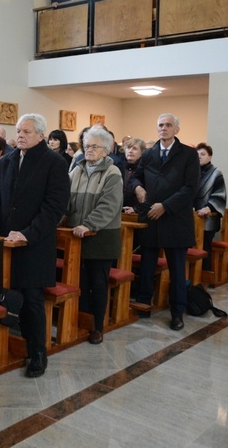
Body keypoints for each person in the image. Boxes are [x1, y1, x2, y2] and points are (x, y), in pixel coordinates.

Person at [0, 114, 71, 378]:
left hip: (35, 244)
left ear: (41, 135)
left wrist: (28, 234)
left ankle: (38, 352)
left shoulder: (54, 163)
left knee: (32, 299)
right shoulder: (7, 161)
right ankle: (5, 344)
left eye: (26, 131)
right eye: (18, 131)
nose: (21, 136)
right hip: (7, 243)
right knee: (6, 294)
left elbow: (55, 206)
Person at [130, 113, 199, 331]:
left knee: (177, 268)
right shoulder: (149, 153)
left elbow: (190, 187)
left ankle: (177, 312)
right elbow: (135, 176)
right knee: (147, 265)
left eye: (168, 125)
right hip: (151, 216)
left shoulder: (188, 154)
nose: (164, 128)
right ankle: (143, 304)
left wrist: (165, 206)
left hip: (175, 218)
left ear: (176, 130)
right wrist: (138, 187)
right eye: (160, 125)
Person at [65, 127, 123, 345]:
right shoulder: (76, 170)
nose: (89, 150)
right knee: (79, 282)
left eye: (95, 147)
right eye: (87, 146)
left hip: (100, 237)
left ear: (106, 150)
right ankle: (80, 321)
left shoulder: (112, 173)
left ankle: (97, 326)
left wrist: (88, 224)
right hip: (76, 238)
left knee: (97, 284)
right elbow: (65, 200)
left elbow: (109, 207)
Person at [194, 143, 227, 272]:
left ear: (210, 157)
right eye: (197, 155)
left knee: (204, 247)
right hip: (191, 218)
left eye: (203, 154)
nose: (199, 157)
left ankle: (203, 275)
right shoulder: (191, 172)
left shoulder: (216, 173)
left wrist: (208, 208)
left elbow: (219, 195)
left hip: (207, 219)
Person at [121, 137, 146, 213]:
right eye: (128, 148)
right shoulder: (119, 168)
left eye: (134, 149)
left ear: (142, 152)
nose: (130, 151)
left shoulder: (145, 171)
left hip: (137, 213)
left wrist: (136, 209)